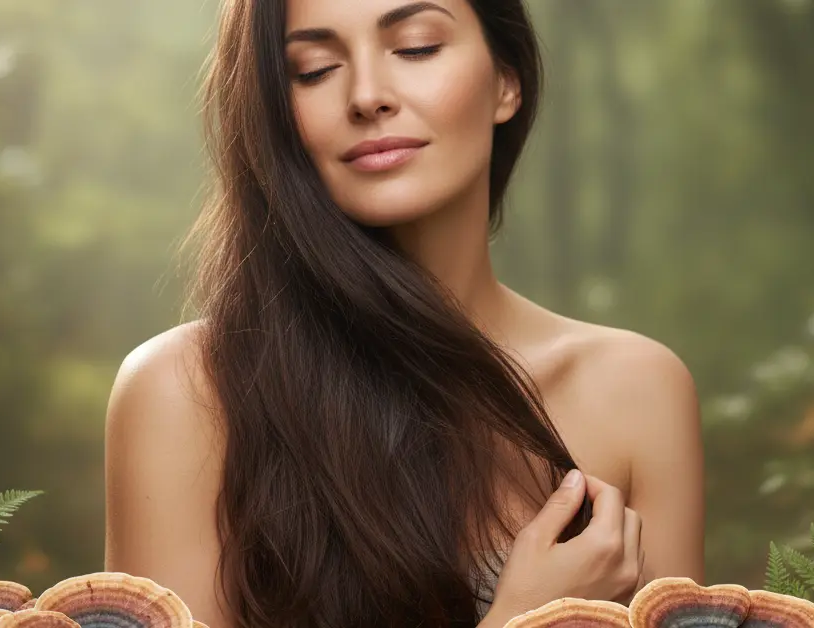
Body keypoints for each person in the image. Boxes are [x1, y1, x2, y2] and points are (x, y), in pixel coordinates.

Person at [103, 0, 705, 626]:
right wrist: (524, 616)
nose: (367, 96)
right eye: (314, 70)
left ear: (506, 81)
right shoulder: (186, 392)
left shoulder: (638, 389)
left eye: (417, 47)